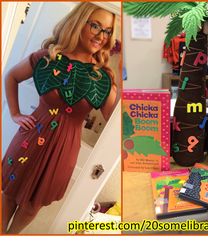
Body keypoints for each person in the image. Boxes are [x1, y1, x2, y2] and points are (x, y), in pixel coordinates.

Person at [2, 2, 118, 234]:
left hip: (64, 151)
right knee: (9, 192)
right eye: (96, 26)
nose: (101, 36)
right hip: (30, 137)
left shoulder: (102, 78)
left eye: (107, 31)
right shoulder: (47, 58)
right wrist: (15, 114)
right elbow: (11, 76)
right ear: (78, 22)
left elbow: (119, 123)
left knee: (34, 203)